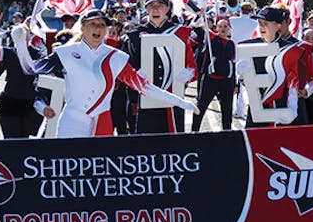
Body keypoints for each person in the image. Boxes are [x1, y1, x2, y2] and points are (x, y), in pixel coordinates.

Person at [13, 8, 197, 138]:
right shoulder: (66, 53)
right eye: (93, 24)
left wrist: (180, 102)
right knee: (68, 170)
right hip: (71, 121)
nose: (98, 29)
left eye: (102, 25)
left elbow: (144, 87)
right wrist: (20, 44)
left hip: (101, 121)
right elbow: (30, 69)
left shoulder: (115, 57)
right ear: (83, 28)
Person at [119, 0, 198, 134]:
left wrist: (188, 73)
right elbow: (127, 67)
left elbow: (191, 64)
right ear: (146, 9)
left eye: (160, 5)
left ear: (167, 8)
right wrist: (136, 76)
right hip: (143, 97)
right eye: (151, 6)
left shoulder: (179, 33)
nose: (155, 10)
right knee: (145, 146)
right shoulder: (135, 35)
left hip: (172, 99)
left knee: (172, 145)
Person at [238, 6, 308, 128]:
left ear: (278, 26)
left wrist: (293, 107)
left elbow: (295, 82)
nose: (261, 27)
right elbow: (247, 83)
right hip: (258, 109)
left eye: (266, 23)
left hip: (283, 109)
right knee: (253, 144)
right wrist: (241, 76)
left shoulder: (292, 49)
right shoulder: (249, 47)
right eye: (259, 23)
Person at [192, 18, 236, 131]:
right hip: (210, 80)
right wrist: (199, 15)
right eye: (220, 26)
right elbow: (196, 28)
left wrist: (235, 84)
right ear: (216, 28)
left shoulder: (232, 44)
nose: (223, 29)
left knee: (227, 109)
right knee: (201, 106)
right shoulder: (211, 38)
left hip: (226, 81)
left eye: (225, 26)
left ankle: (227, 133)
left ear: (229, 28)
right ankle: (194, 131)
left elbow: (233, 63)